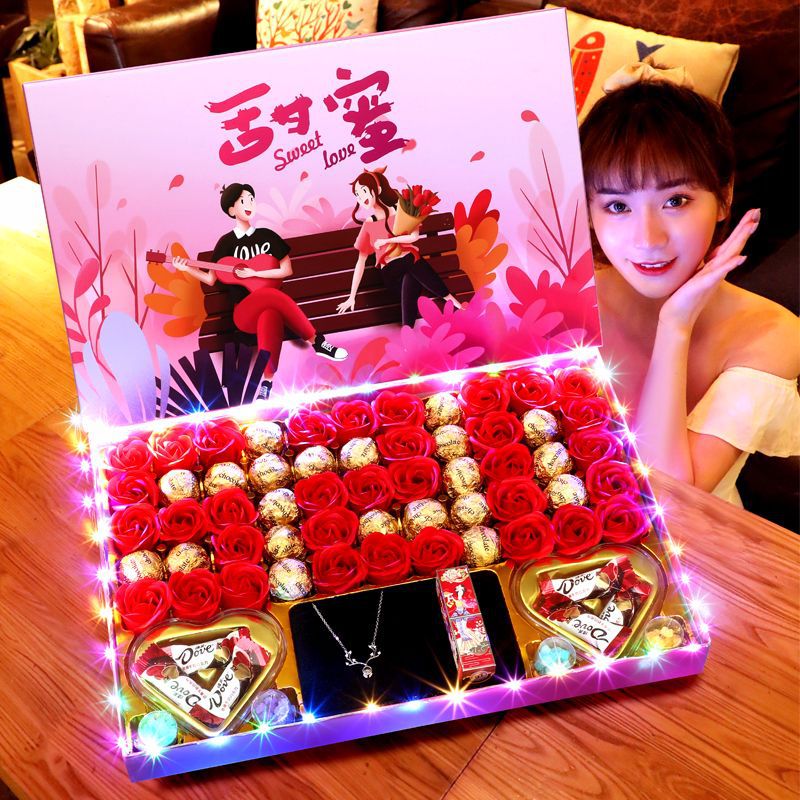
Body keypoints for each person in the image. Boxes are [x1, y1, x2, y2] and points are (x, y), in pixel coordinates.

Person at [580, 67, 800, 506]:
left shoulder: (772, 334)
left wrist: (675, 326)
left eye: (675, 201)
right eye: (618, 206)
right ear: (587, 210)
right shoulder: (561, 301)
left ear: (724, 197)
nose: (648, 239)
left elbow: (669, 500)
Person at [173, 183, 347, 400]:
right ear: (231, 210)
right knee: (271, 297)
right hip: (244, 313)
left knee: (270, 314)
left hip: (270, 304)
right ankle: (317, 341)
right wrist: (186, 268)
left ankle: (267, 382)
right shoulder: (226, 243)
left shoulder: (267, 236)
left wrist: (255, 273)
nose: (249, 204)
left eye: (251, 199)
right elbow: (210, 279)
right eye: (243, 201)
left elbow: (287, 270)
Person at [336, 168, 462, 326]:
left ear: (378, 190)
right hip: (391, 273)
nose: (361, 198)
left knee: (411, 276)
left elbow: (414, 237)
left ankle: (407, 329)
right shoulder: (369, 224)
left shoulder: (401, 212)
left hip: (411, 268)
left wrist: (386, 241)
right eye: (357, 194)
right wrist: (351, 296)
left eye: (364, 191)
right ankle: (454, 303)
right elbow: (360, 261)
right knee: (411, 261)